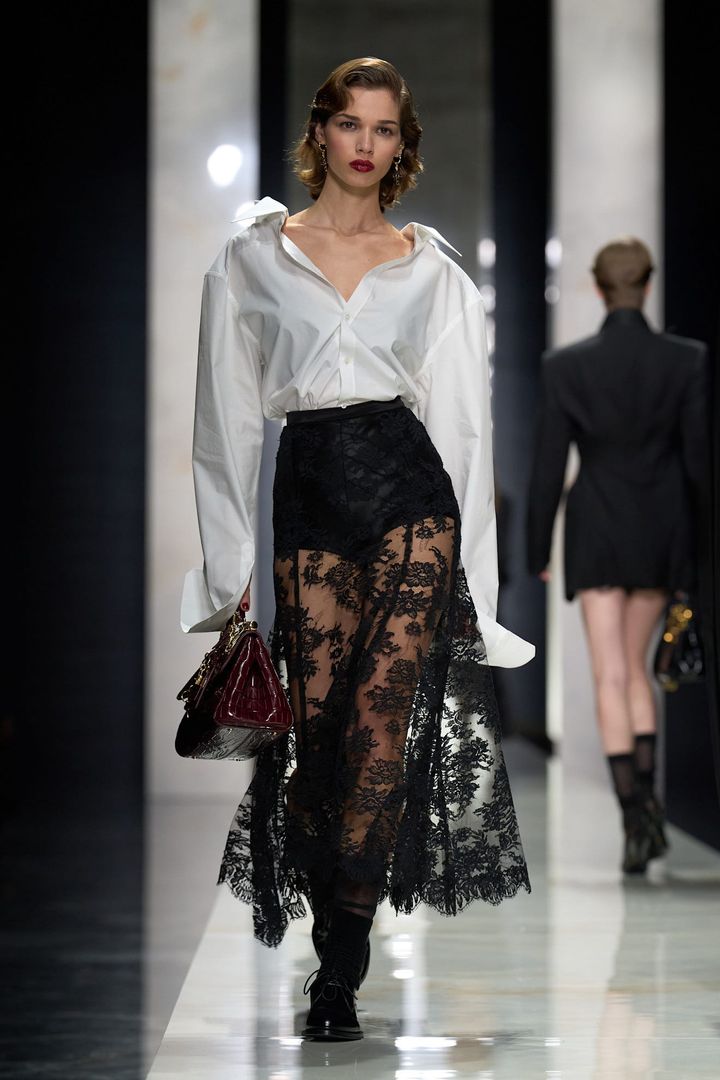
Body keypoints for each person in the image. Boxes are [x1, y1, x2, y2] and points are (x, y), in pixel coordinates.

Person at [182, 57, 534, 1041]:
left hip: (408, 495)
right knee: (322, 744)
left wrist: (477, 586)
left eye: (385, 128)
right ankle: (330, 921)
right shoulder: (253, 257)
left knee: (382, 732)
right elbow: (223, 422)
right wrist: (227, 571)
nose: (367, 144)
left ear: (401, 144)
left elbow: (465, 428)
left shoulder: (432, 269)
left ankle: (341, 964)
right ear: (322, 133)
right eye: (352, 124)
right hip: (309, 495)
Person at [527, 237, 708, 875]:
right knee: (636, 670)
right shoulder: (686, 360)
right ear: (647, 286)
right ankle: (648, 807)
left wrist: (537, 548)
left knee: (610, 672)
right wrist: (698, 550)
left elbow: (548, 466)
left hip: (597, 526)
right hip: (661, 527)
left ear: (599, 289)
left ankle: (636, 818)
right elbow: (698, 465)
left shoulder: (566, 366)